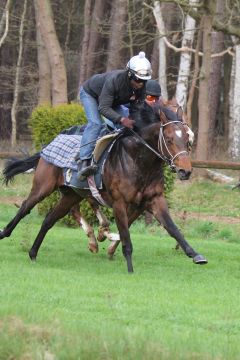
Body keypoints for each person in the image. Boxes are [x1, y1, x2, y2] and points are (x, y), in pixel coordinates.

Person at [77, 51, 152, 179]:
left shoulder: (141, 87)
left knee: (129, 127)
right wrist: (121, 119)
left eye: (144, 81)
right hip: (91, 95)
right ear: (129, 74)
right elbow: (103, 108)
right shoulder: (114, 81)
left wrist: (137, 123)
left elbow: (136, 109)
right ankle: (83, 162)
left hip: (112, 101)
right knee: (96, 124)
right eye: (138, 79)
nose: (140, 84)